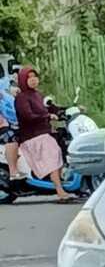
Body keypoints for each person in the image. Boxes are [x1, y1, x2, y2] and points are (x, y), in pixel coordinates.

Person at [14, 67, 70, 201]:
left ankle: (61, 180)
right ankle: (59, 189)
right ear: (23, 80)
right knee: (52, 150)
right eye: (29, 77)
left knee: (62, 145)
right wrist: (47, 116)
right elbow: (28, 116)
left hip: (44, 132)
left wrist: (69, 109)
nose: (33, 79)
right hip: (33, 136)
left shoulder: (38, 95)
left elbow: (51, 107)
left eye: (35, 76)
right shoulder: (21, 98)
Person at [0, 70, 17, 181]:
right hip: (4, 126)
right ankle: (13, 171)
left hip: (14, 121)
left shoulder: (5, 85)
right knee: (11, 138)